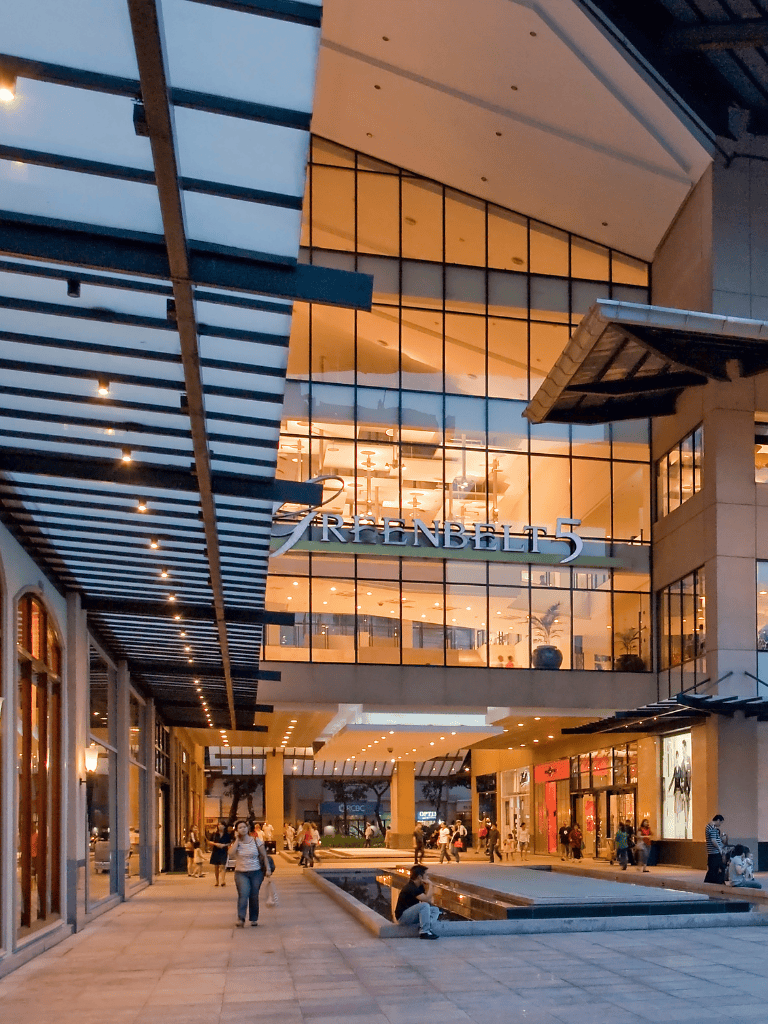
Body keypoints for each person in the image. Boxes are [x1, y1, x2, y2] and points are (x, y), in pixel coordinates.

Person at [229, 819, 271, 927]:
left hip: (256, 872)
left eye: (244, 827)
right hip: (241, 873)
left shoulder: (256, 841)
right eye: (240, 828)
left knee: (253, 895)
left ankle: (254, 918)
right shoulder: (236, 843)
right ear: (237, 830)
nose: (242, 829)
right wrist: (237, 840)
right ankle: (241, 918)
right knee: (243, 894)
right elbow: (230, 854)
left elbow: (264, 855)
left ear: (248, 828)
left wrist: (268, 868)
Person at [393, 864, 440, 939]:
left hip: (411, 915)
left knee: (435, 910)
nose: (427, 877)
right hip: (402, 917)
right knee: (424, 905)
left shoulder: (420, 886)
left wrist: (427, 887)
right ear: (420, 877)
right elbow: (426, 899)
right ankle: (424, 932)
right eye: (426, 875)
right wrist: (431, 885)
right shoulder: (411, 887)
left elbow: (429, 901)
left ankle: (425, 927)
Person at [704, 814, 727, 884]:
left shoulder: (712, 827)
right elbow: (713, 840)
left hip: (713, 852)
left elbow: (716, 839)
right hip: (714, 852)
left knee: (714, 868)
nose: (720, 824)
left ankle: (712, 881)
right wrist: (720, 848)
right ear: (718, 820)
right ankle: (713, 882)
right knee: (716, 868)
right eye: (721, 822)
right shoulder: (712, 827)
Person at [208, 820, 232, 886]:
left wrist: (223, 845)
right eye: (219, 825)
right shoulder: (215, 834)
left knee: (222, 866)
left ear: (224, 826)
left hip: (223, 851)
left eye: (221, 825)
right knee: (216, 866)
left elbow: (230, 842)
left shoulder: (227, 835)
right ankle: (217, 881)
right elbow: (209, 841)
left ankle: (223, 881)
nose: (220, 826)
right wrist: (216, 844)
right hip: (216, 851)